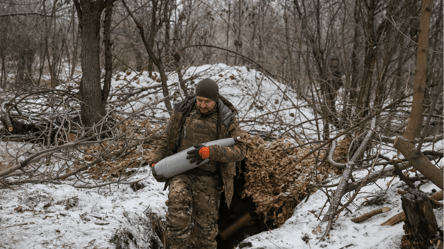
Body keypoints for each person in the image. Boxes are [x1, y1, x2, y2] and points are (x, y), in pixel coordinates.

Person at [150, 78, 246, 249]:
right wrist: (155, 161)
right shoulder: (183, 112)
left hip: (210, 179)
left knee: (205, 233)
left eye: (207, 101)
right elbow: (166, 139)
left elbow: (240, 150)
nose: (202, 105)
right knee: (177, 217)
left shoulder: (225, 118)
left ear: (215, 100)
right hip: (182, 172)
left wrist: (212, 151)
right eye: (199, 100)